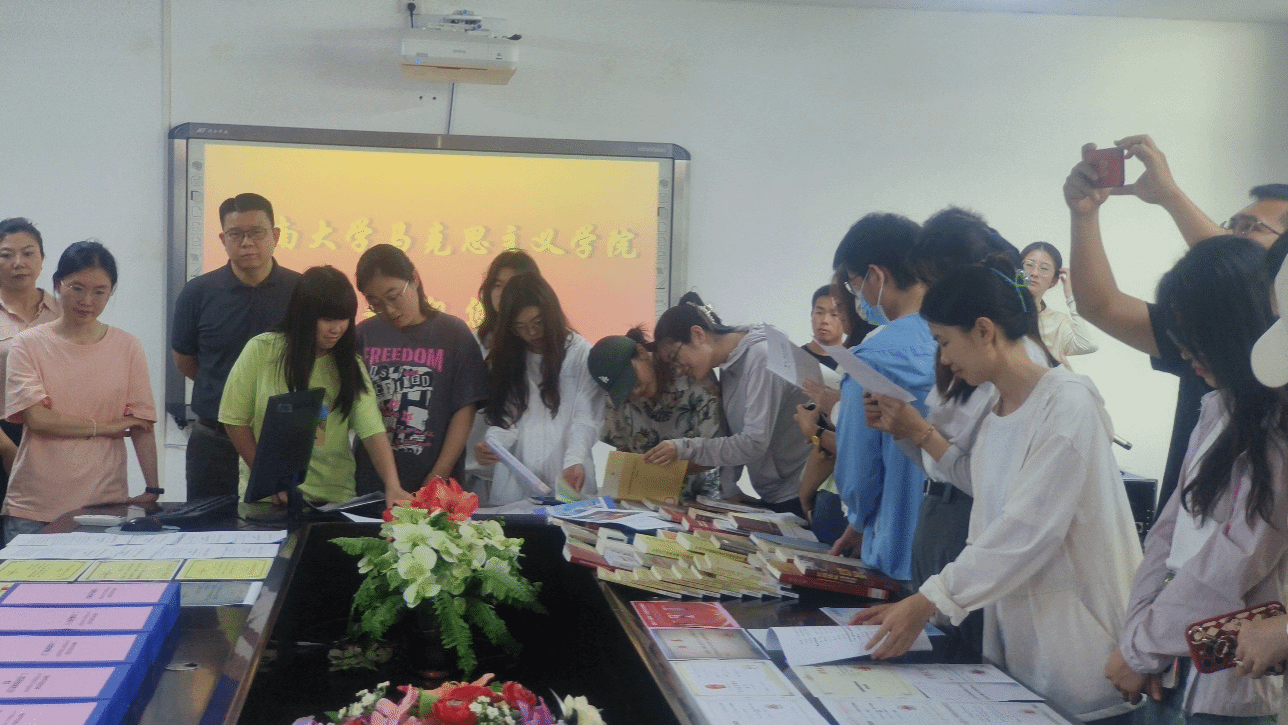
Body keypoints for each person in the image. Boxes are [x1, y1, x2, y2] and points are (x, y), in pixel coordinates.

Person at [855, 260, 1140, 724]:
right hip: (1020, 643)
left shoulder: (1066, 402)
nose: (943, 359)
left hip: (1079, 648)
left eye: (945, 342)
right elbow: (976, 485)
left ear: (984, 331)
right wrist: (907, 433)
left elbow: (1027, 529)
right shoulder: (997, 411)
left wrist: (930, 599)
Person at [1106, 237, 1286, 723]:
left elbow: (1235, 561)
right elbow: (1165, 534)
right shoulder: (1216, 408)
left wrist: (1142, 648)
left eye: (1196, 336)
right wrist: (1138, 640)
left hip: (1224, 675)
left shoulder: (1276, 430)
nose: (1186, 353)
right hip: (1167, 652)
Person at [1067, 134, 1288, 521]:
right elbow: (1101, 305)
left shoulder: (1274, 352)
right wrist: (1084, 215)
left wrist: (1171, 196)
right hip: (1179, 532)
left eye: (1252, 227)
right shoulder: (1208, 335)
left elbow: (1235, 270)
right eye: (1232, 224)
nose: (1234, 234)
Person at [862, 208, 1046, 663]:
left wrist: (920, 430)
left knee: (960, 659)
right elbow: (943, 463)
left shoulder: (1027, 378)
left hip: (967, 528)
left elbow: (987, 485)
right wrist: (903, 429)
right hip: (940, 520)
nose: (943, 357)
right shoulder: (973, 363)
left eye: (932, 282)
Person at [3, 241, 160, 542]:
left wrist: (153, 488)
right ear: (57, 284)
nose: (87, 300)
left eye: (99, 292)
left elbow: (141, 425)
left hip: (105, 503)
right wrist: (109, 427)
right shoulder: (27, 344)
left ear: (111, 292)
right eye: (77, 288)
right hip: (36, 506)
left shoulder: (127, 346)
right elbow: (39, 419)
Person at [219, 266, 407, 506]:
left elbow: (372, 430)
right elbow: (234, 421)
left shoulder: (350, 365)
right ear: (304, 315)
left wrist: (392, 485)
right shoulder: (261, 350)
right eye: (327, 319)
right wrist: (268, 480)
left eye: (344, 319)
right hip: (269, 501)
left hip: (333, 500)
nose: (337, 328)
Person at [827, 213, 937, 584]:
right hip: (955, 551)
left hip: (896, 545)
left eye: (854, 283)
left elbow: (859, 473)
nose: (857, 296)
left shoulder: (870, 360)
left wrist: (858, 520)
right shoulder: (963, 342)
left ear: (876, 276)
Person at [172, 193, 300, 500]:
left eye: (256, 232)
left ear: (275, 236)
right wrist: (228, 391)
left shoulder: (301, 291)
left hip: (280, 440)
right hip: (214, 442)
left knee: (283, 524)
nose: (246, 242)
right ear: (222, 239)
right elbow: (185, 360)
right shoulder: (197, 292)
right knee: (209, 526)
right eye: (235, 234)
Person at [642, 292, 810, 516]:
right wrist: (729, 488)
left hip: (803, 493)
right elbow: (733, 432)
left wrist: (683, 448)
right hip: (775, 493)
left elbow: (754, 442)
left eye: (675, 357)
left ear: (698, 334)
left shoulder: (761, 357)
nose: (679, 370)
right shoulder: (730, 364)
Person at [353, 244, 487, 494]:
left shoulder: (453, 334)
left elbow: (464, 411)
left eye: (394, 297)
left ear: (414, 279)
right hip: (371, 483)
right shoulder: (363, 335)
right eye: (375, 303)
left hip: (437, 482)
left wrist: (437, 476)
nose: (389, 310)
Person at [473, 273, 603, 504]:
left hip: (569, 474)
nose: (531, 333)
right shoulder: (509, 358)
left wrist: (574, 459)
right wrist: (492, 445)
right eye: (520, 327)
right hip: (519, 481)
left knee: (568, 522)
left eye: (538, 323)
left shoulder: (579, 353)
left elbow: (586, 418)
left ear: (551, 314)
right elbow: (506, 420)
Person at [589, 328, 723, 499]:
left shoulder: (692, 374)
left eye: (633, 381)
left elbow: (715, 451)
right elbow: (623, 449)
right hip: (643, 498)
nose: (635, 391)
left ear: (641, 352)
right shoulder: (616, 399)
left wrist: (675, 459)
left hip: (699, 497)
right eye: (625, 390)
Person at [461, 250, 543, 502]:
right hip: (474, 471)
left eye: (512, 285)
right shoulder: (472, 343)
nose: (503, 293)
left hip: (525, 478)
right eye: (497, 285)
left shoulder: (539, 347)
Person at [0, 218, 60, 492]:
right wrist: (6, 448)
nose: (18, 263)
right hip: (3, 434)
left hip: (55, 433)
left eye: (28, 253)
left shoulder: (63, 312)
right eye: (6, 255)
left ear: (42, 259)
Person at [1020, 241, 1097, 369]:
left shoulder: (1057, 321)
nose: (1034, 273)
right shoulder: (999, 311)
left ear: (1054, 280)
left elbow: (1088, 344)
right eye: (1029, 265)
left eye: (1044, 268)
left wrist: (1071, 297)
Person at [800, 285, 845, 375]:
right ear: (812, 315)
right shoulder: (795, 357)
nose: (825, 320)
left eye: (834, 314)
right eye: (819, 312)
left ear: (847, 319)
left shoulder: (853, 366)